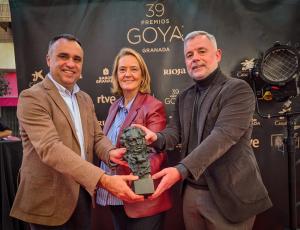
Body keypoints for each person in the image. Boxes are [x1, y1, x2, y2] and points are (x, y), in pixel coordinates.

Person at [135, 31, 272, 230]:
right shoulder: (183, 97)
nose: (195, 58)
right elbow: (175, 133)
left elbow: (222, 136)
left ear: (217, 55)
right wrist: (155, 136)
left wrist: (180, 170)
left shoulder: (237, 89)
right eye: (189, 55)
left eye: (201, 51)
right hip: (191, 193)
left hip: (230, 196)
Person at [10, 34, 144, 230]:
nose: (70, 64)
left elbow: (97, 137)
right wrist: (103, 179)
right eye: (63, 56)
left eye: (77, 59)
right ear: (49, 59)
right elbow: (50, 148)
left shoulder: (85, 99)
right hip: (48, 200)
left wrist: (110, 152)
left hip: (82, 193)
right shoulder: (32, 97)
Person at [96, 48, 172, 230]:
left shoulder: (152, 106)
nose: (127, 74)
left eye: (133, 69)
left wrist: (134, 181)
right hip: (116, 197)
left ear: (142, 75)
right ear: (116, 75)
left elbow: (156, 153)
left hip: (140, 199)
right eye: (122, 70)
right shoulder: (114, 106)